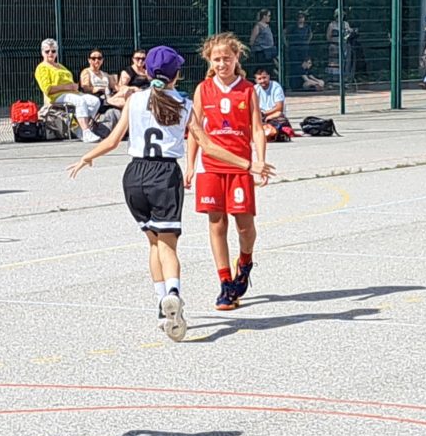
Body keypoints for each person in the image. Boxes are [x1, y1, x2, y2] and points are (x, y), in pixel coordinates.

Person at [66, 47, 271, 341]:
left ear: (147, 72)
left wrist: (87, 158)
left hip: (134, 176)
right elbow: (208, 146)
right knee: (168, 245)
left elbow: (112, 140)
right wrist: (248, 164)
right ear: (177, 75)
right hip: (164, 175)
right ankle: (173, 292)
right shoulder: (184, 105)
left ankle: (162, 303)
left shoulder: (134, 100)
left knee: (153, 243)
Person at [186, 32, 271, 310]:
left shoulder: (247, 89)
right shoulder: (203, 89)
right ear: (209, 61)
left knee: (244, 225)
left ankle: (245, 262)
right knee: (216, 223)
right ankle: (225, 283)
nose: (222, 64)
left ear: (237, 58)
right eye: (216, 59)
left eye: (227, 58)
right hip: (211, 166)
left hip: (240, 165)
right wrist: (190, 165)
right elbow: (195, 131)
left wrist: (260, 161)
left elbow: (257, 128)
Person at [35, 38, 106, 143]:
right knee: (79, 101)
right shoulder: (42, 68)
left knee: (94, 101)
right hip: (56, 96)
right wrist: (68, 87)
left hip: (72, 93)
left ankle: (81, 127)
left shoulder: (61, 66)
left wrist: (74, 87)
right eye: (47, 51)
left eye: (53, 51)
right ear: (42, 52)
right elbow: (48, 89)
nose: (50, 53)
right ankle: (86, 132)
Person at [253, 65, 293, 140]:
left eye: (264, 78)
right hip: (261, 116)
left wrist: (265, 114)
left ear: (269, 76)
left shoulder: (276, 87)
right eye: (259, 79)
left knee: (278, 115)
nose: (262, 81)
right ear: (256, 80)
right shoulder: (255, 89)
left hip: (273, 116)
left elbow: (279, 107)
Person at [287, 13, 323, 90]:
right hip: (294, 49)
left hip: (304, 48)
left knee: (304, 64)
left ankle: (310, 84)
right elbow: (284, 33)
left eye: (302, 17)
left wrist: (307, 42)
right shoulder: (292, 27)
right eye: (299, 17)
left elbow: (310, 34)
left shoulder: (307, 27)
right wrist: (287, 44)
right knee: (296, 65)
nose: (301, 19)